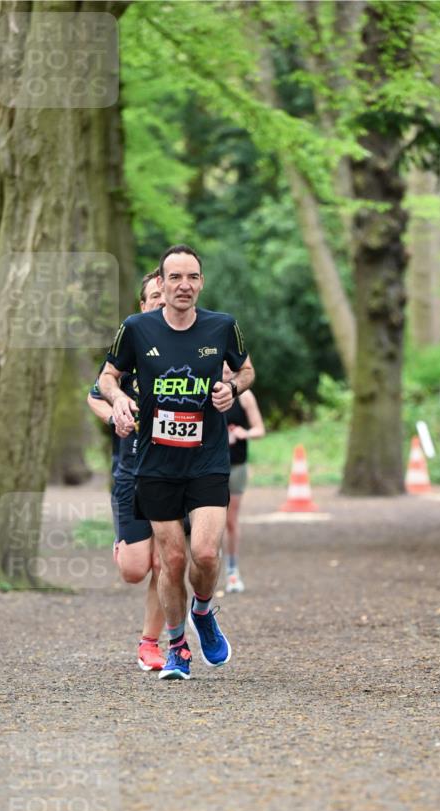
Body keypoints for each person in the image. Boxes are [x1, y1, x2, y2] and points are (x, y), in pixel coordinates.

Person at [99, 244, 255, 681]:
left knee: (204, 554)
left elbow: (246, 371)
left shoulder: (222, 327)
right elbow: (106, 377)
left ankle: (202, 613)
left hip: (207, 459)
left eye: (192, 277)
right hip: (154, 463)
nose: (183, 285)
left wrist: (233, 390)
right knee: (171, 561)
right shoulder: (136, 329)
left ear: (201, 282)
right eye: (175, 278)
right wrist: (120, 400)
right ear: (161, 285)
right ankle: (177, 647)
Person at [87, 269, 166, 671]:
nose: (162, 301)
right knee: (136, 570)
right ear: (143, 304)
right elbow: (95, 394)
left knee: (165, 562)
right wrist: (112, 414)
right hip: (132, 472)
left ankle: (150, 643)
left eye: (167, 295)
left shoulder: (190, 345)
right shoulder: (128, 347)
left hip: (175, 472)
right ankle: (124, 545)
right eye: (155, 296)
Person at [222, 361, 265, 593]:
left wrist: (242, 433)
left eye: (230, 370)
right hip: (208, 468)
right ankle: (206, 569)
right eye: (223, 369)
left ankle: (232, 570)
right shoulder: (206, 392)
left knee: (230, 520)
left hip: (236, 465)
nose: (226, 374)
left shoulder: (245, 397)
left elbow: (260, 429)